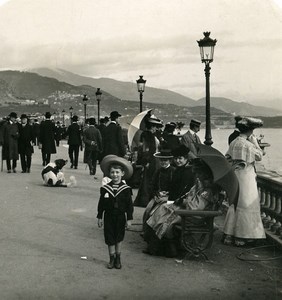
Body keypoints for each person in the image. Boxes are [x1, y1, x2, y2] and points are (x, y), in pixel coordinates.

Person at [144, 158, 218, 257]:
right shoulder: (199, 185)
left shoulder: (207, 191)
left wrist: (184, 201)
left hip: (195, 217)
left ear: (205, 174)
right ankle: (159, 245)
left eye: (199, 173)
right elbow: (189, 196)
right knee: (162, 208)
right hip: (189, 212)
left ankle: (167, 248)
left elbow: (195, 207)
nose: (196, 176)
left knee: (166, 218)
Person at [223, 117, 265, 247]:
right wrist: (255, 143)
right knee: (247, 204)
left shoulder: (234, 142)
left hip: (236, 175)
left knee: (235, 203)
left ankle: (230, 234)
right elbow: (259, 156)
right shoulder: (248, 144)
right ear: (250, 131)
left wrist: (235, 165)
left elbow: (227, 158)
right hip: (247, 176)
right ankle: (243, 236)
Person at [97, 156, 134, 269]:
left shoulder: (126, 189)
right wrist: (99, 217)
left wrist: (129, 219)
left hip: (120, 217)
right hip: (108, 217)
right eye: (112, 172)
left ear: (122, 173)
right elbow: (101, 204)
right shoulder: (105, 188)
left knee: (119, 237)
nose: (115, 175)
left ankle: (118, 258)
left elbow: (129, 205)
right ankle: (111, 258)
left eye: (117, 172)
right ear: (109, 174)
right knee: (109, 238)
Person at [142, 149, 176, 232]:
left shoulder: (174, 171)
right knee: (148, 210)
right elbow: (152, 185)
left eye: (165, 160)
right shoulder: (158, 171)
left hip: (170, 197)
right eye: (162, 160)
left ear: (170, 161)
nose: (163, 162)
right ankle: (146, 230)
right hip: (158, 195)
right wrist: (156, 193)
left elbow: (176, 186)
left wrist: (169, 193)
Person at [133, 116, 163, 207]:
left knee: (147, 180)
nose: (156, 129)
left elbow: (142, 148)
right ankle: (146, 200)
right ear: (152, 127)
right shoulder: (148, 135)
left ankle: (144, 199)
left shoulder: (147, 135)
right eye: (155, 127)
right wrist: (147, 161)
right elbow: (147, 149)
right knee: (149, 180)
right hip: (151, 159)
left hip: (151, 159)